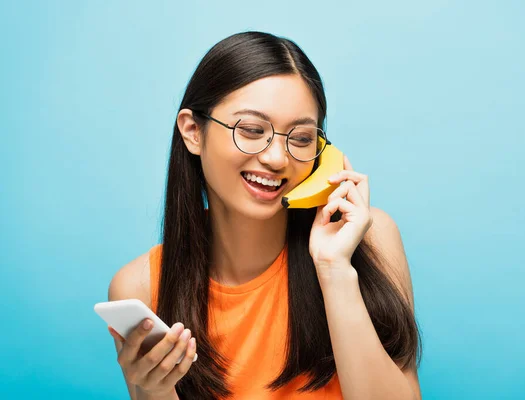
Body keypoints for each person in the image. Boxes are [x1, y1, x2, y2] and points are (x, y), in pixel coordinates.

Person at [107, 31, 422, 400]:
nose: (276, 158)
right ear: (193, 131)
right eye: (253, 130)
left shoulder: (369, 239)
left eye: (301, 138)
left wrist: (335, 270)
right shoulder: (141, 287)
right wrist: (152, 393)